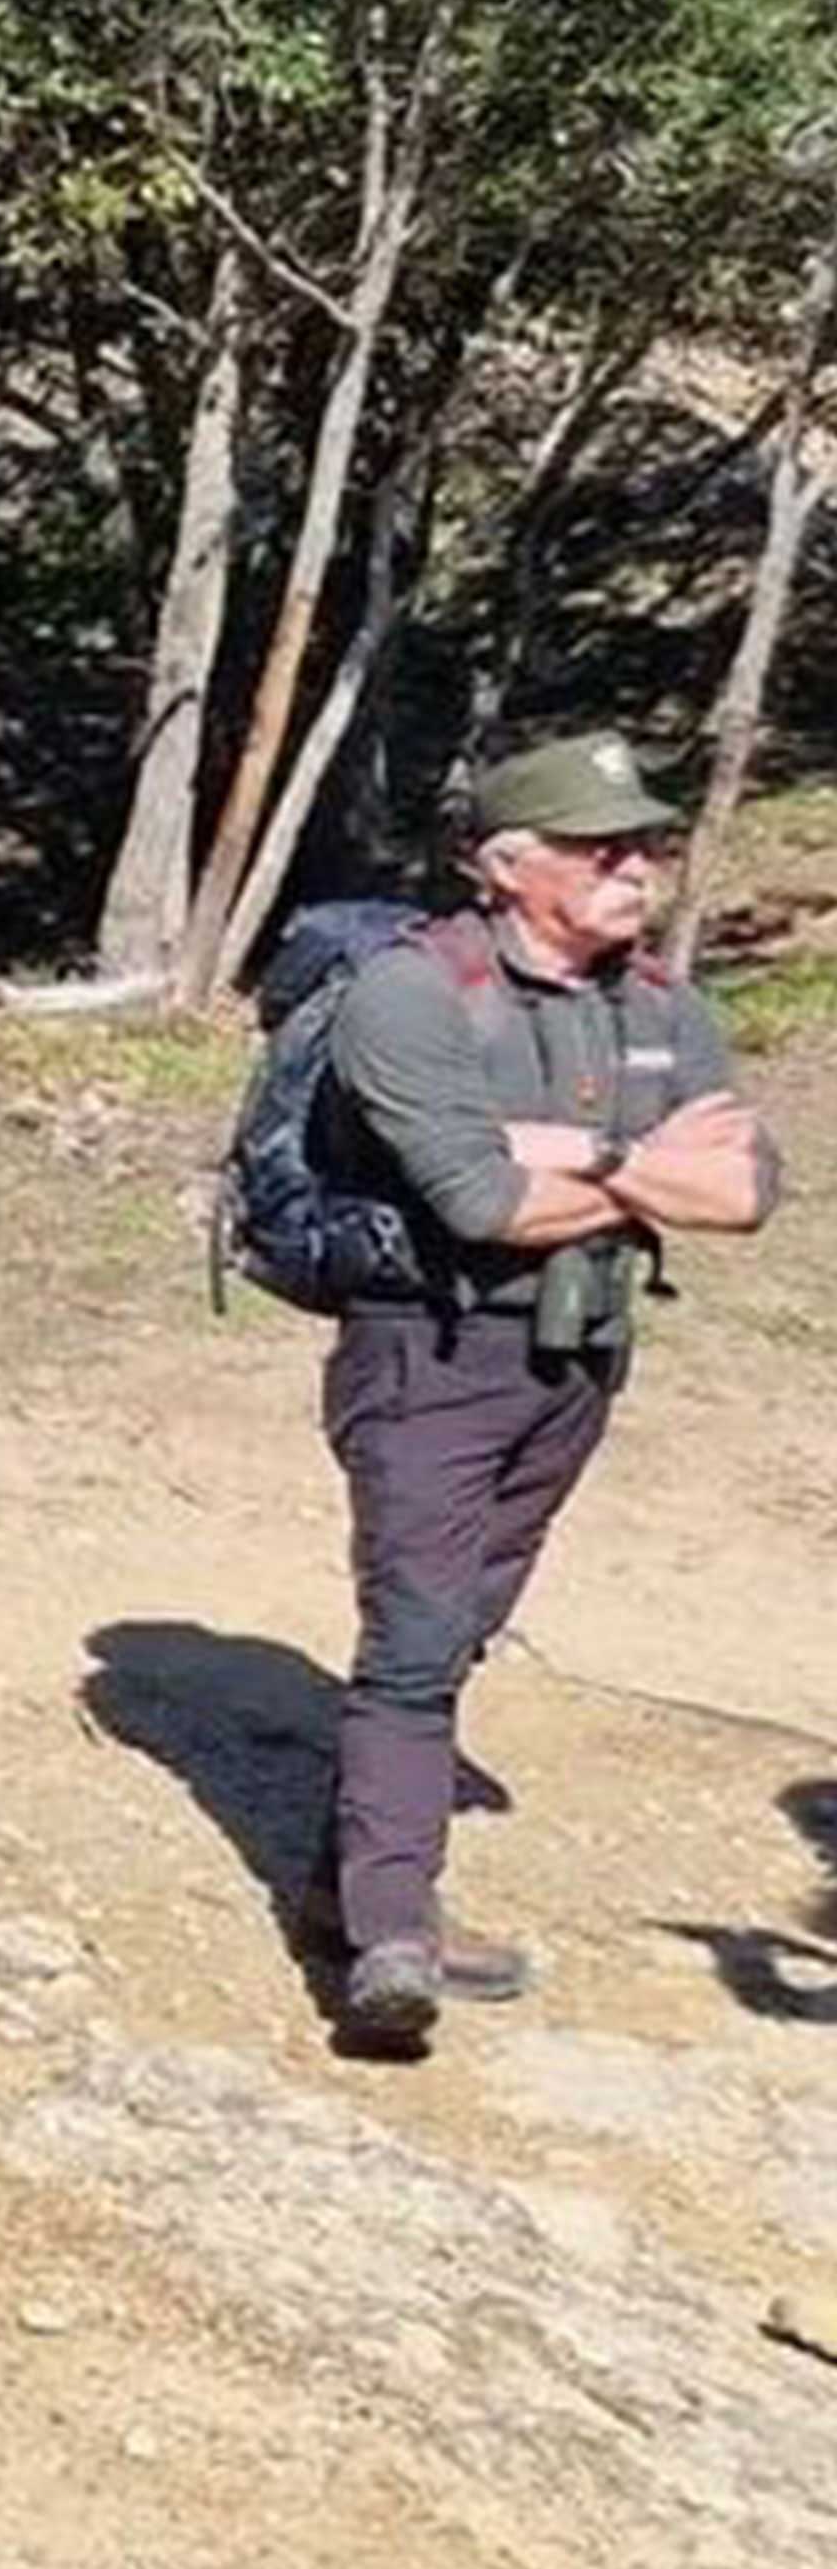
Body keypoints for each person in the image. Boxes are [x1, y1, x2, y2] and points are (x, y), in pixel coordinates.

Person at [300, 731, 780, 2057]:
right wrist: (643, 1158)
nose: (635, 870)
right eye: (598, 848)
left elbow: (745, 1191)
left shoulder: (662, 1003)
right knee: (414, 1635)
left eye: (643, 847)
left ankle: (352, 1873)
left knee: (467, 1622)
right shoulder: (409, 996)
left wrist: (581, 1157)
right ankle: (392, 1940)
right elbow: (479, 1200)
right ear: (507, 868)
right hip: (430, 1359)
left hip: (578, 1359)